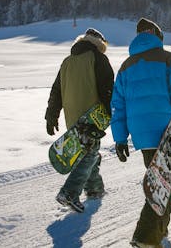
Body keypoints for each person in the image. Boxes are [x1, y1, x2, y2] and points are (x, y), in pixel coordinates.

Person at [111, 18, 171, 248]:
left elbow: (118, 107)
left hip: (143, 137)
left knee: (160, 181)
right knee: (163, 185)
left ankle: (159, 230)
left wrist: (120, 138)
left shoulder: (126, 66)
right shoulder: (170, 60)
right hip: (167, 133)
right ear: (158, 36)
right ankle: (146, 236)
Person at [45, 28, 114, 213]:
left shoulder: (67, 62)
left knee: (88, 152)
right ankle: (69, 192)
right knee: (90, 153)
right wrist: (110, 115)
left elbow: (56, 91)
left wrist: (51, 115)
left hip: (72, 118)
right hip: (91, 117)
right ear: (99, 42)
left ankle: (94, 189)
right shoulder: (98, 58)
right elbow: (108, 90)